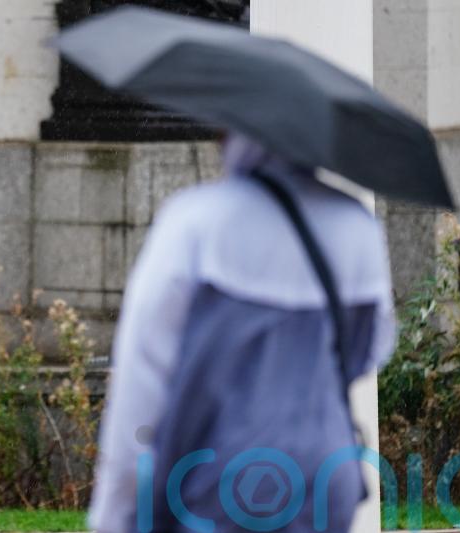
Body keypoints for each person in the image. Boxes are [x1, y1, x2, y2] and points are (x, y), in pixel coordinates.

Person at [88, 134, 396, 532]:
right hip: (326, 473)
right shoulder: (357, 224)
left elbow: (141, 378)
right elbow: (370, 351)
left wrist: (114, 514)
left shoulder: (195, 220)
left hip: (218, 476)